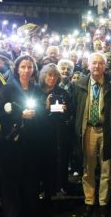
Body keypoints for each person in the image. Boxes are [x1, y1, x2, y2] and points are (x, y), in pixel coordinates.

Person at [73, 52, 111, 217]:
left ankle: (103, 202)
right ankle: (89, 200)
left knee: (106, 169)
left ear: (105, 65)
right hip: (88, 130)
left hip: (106, 131)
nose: (97, 66)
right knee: (88, 168)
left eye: (100, 63)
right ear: (88, 65)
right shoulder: (80, 85)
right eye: (94, 63)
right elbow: (75, 110)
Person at [0, 55, 42, 217]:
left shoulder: (36, 89)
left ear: (34, 70)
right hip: (11, 144)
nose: (26, 70)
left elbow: (41, 113)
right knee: (11, 182)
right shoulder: (8, 88)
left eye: (30, 67)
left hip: (30, 143)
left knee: (29, 180)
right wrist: (20, 114)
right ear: (17, 68)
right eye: (23, 67)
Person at [38, 63, 72, 199]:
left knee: (57, 161)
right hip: (40, 133)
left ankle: (56, 188)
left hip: (58, 134)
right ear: (43, 76)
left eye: (55, 75)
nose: (52, 78)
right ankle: (42, 188)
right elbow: (34, 113)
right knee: (41, 162)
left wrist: (65, 109)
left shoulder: (63, 93)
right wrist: (45, 107)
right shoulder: (37, 91)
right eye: (49, 75)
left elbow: (69, 113)